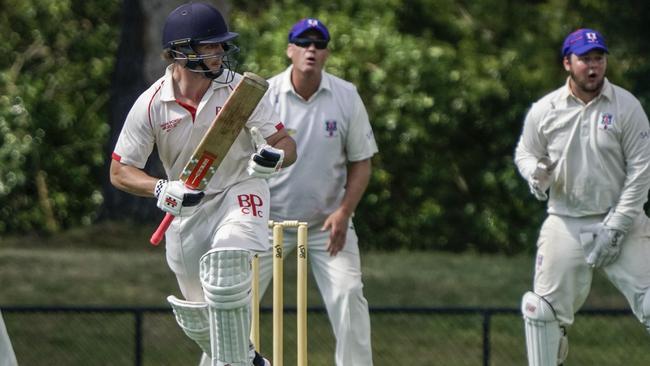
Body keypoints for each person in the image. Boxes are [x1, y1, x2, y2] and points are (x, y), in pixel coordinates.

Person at [109, 3, 297, 366]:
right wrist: (162, 189)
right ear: (181, 52)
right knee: (199, 318)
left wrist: (274, 157)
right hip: (187, 209)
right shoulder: (151, 104)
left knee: (226, 266)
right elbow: (120, 172)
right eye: (211, 46)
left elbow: (284, 144)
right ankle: (248, 360)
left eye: (221, 46)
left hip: (239, 190)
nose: (220, 53)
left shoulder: (239, 90)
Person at [514, 28, 650, 366]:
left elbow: (642, 169)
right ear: (567, 63)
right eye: (585, 59)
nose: (593, 67)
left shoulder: (626, 106)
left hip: (623, 220)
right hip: (566, 220)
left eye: (599, 58)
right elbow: (525, 152)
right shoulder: (545, 109)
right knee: (541, 313)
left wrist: (616, 226)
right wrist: (535, 173)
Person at [258, 18, 378, 366]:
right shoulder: (265, 95)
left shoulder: (346, 95)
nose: (311, 49)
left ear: (326, 53)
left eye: (319, 44)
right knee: (234, 300)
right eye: (303, 42)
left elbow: (361, 162)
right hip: (266, 223)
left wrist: (344, 213)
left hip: (328, 225)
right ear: (289, 49)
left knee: (349, 295)